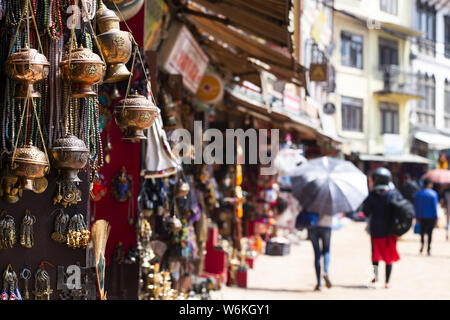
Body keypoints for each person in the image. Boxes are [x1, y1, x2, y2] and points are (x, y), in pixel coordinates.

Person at [363, 167, 400, 289]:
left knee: (375, 255)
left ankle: (375, 277)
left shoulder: (372, 195)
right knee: (389, 256)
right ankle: (387, 281)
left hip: (376, 230)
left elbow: (366, 212)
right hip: (390, 231)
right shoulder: (393, 194)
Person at [308, 213, 333, 291]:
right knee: (326, 251)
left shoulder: (310, 200)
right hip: (326, 225)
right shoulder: (331, 201)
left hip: (313, 225)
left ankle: (319, 283)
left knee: (317, 254)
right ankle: (325, 272)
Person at [414, 178, 439, 255]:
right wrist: (436, 217)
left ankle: (422, 244)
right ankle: (428, 248)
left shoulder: (418, 194)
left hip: (421, 216)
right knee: (430, 233)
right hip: (431, 217)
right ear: (429, 184)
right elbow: (434, 207)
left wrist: (416, 216)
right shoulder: (433, 194)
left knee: (421, 232)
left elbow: (416, 206)